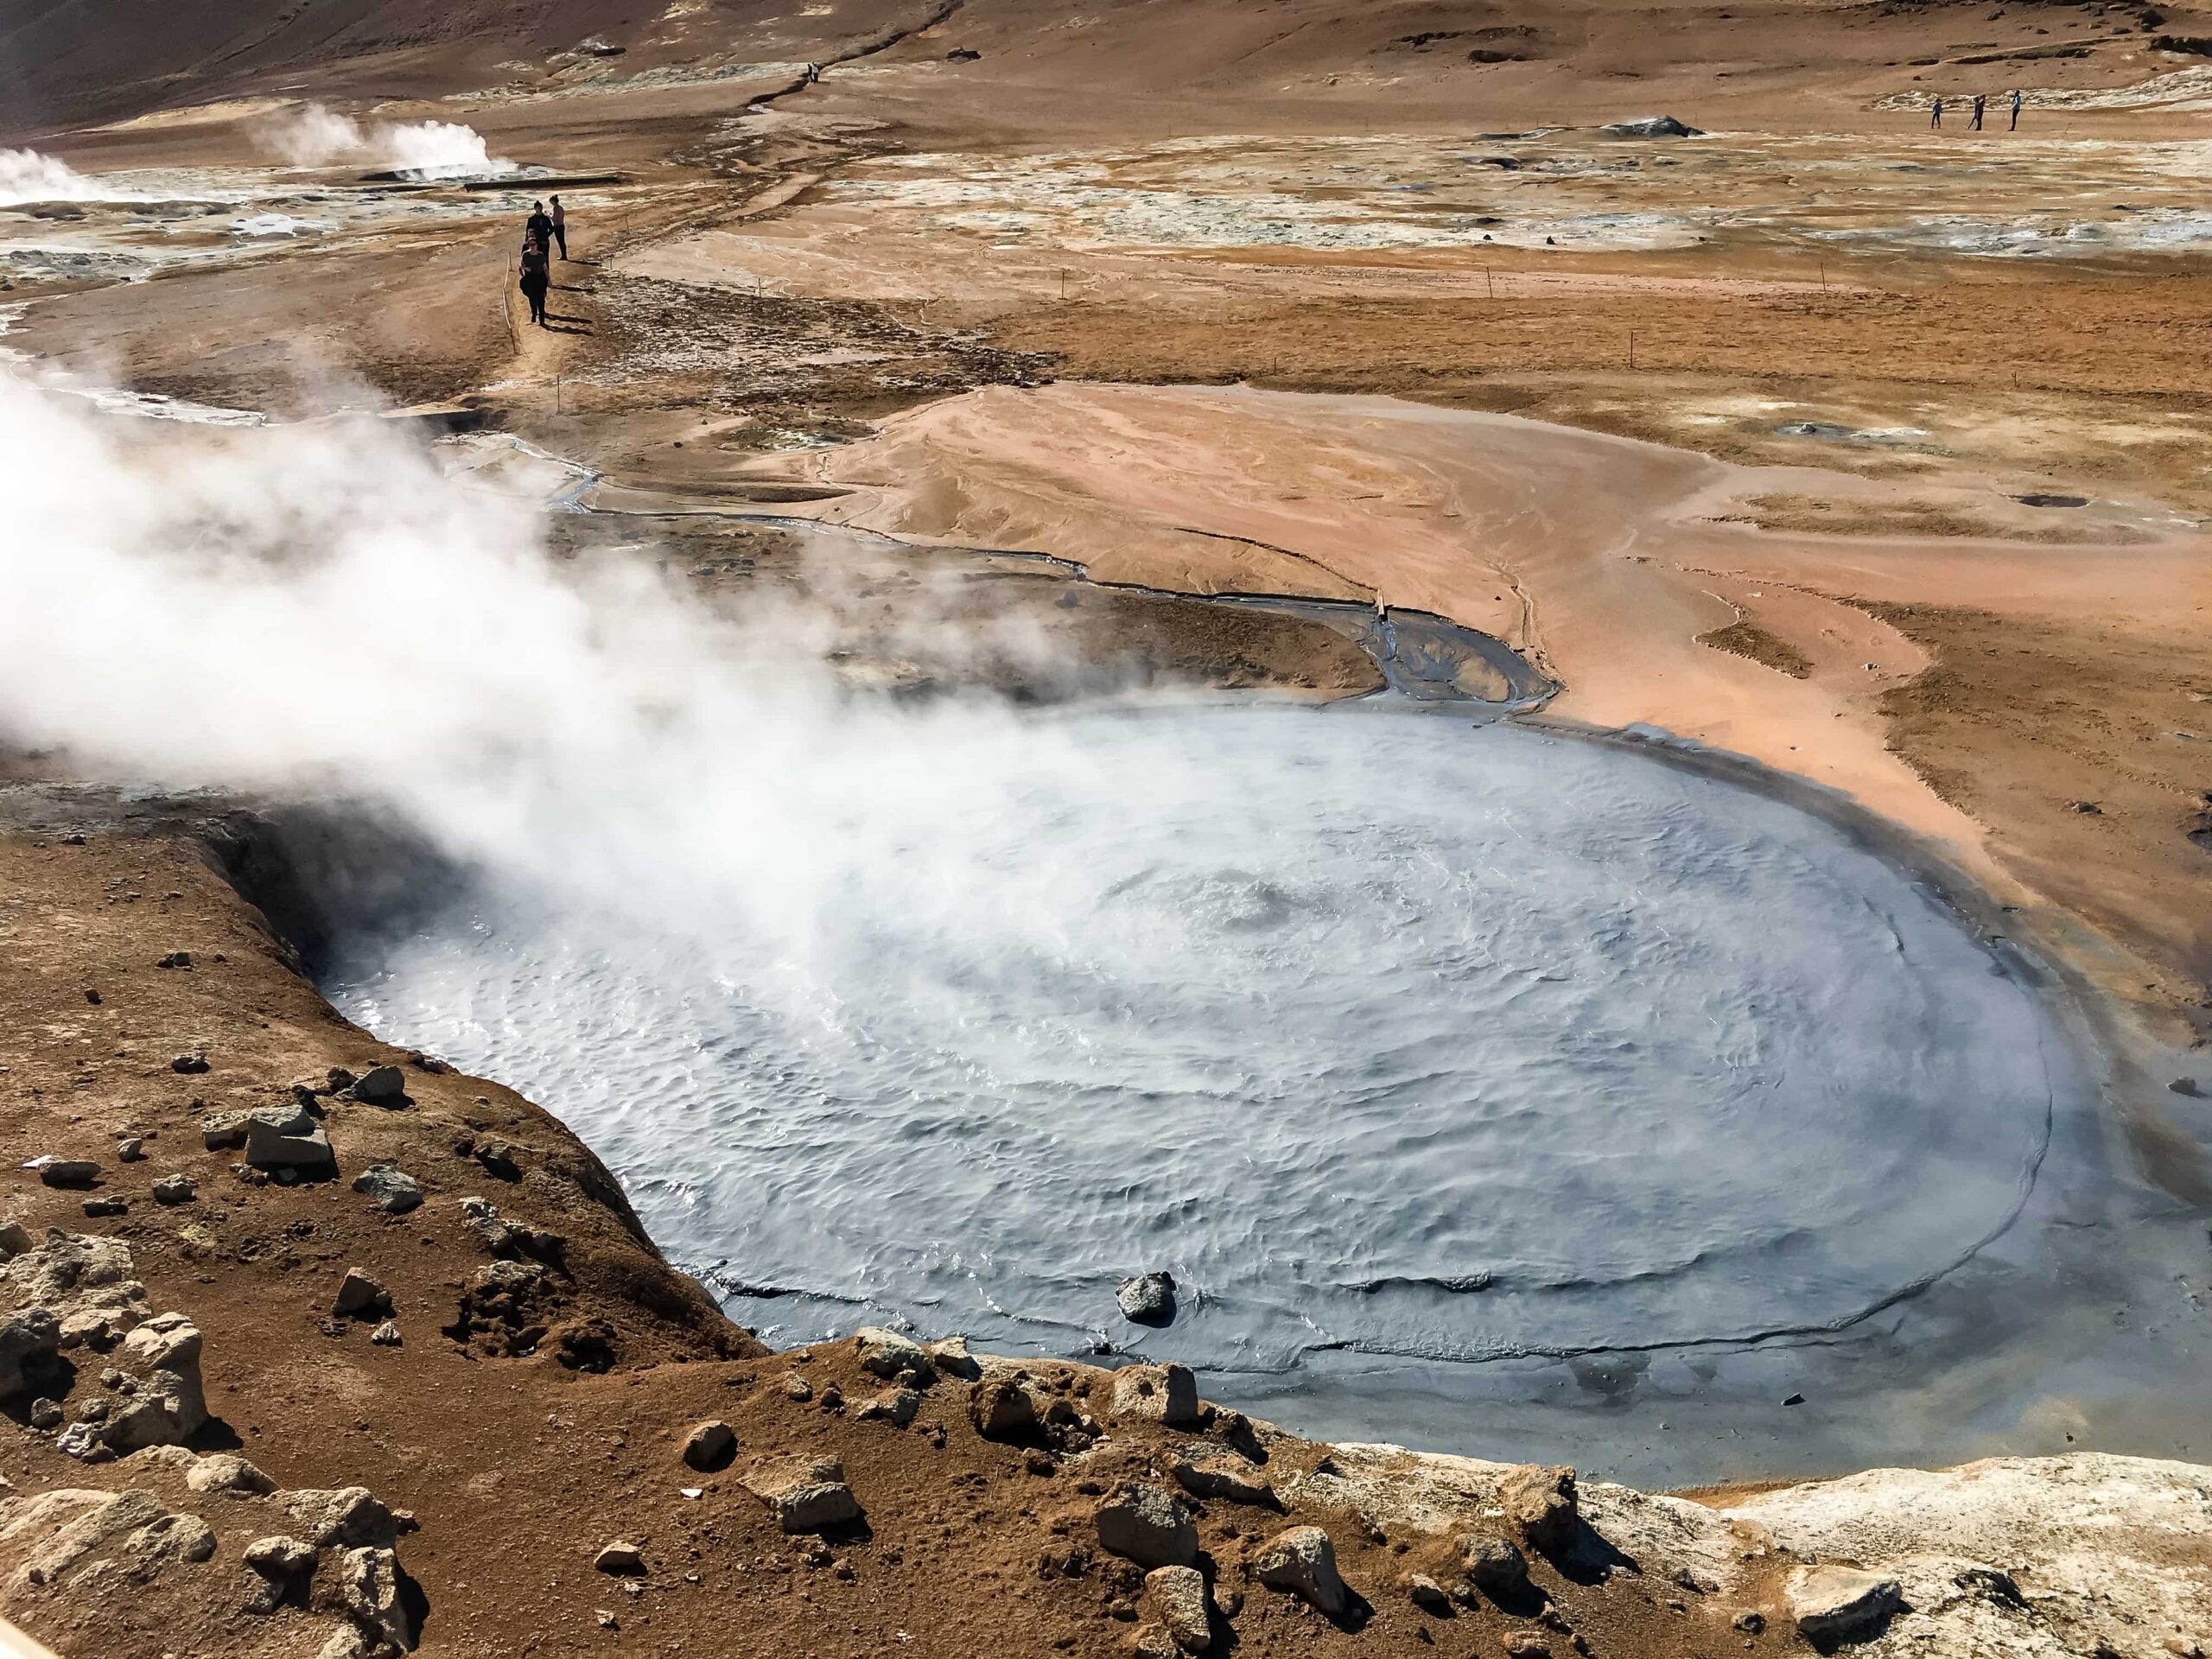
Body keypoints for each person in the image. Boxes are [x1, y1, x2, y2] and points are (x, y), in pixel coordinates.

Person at [518, 234, 550, 327]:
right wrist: (524, 271)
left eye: (534, 244)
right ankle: (534, 313)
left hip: (539, 279)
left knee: (541, 299)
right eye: (530, 245)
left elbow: (545, 268)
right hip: (529, 279)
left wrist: (549, 280)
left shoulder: (541, 255)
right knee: (532, 298)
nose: (532, 246)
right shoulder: (525, 254)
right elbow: (521, 265)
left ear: (537, 245)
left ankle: (542, 320)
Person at [549, 194, 568, 260]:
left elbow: (554, 218)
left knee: (560, 242)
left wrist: (549, 215)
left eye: (551, 202)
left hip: (557, 226)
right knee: (562, 241)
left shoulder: (556, 208)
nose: (551, 203)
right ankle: (564, 255)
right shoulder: (561, 207)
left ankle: (563, 256)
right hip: (562, 225)